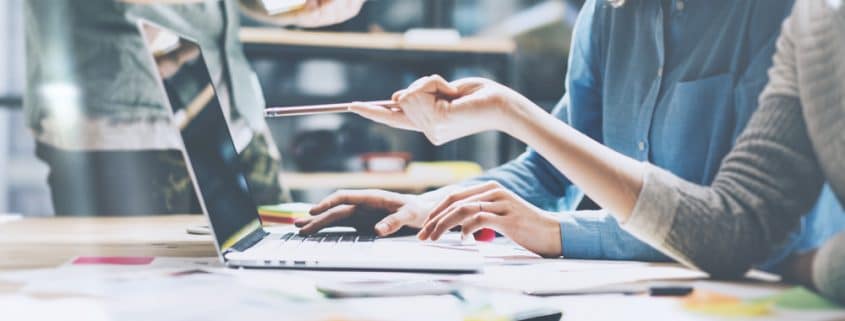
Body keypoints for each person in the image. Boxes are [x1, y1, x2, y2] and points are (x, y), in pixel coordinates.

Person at [337, 0, 845, 303]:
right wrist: (432, 207)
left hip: (765, 294)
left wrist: (558, 232)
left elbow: (756, 227)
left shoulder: (787, 16)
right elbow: (553, 172)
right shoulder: (608, 14)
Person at [24, 0, 364, 215]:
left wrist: (297, 4)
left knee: (280, 279)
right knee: (143, 302)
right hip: (126, 129)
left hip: (237, 118)